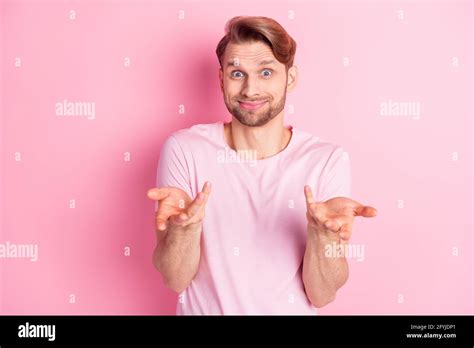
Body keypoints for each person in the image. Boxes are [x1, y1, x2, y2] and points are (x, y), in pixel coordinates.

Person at [147, 16, 377, 315]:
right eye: (237, 73)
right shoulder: (185, 149)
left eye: (266, 72)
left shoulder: (326, 160)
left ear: (290, 78)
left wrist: (323, 237)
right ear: (221, 79)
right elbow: (175, 279)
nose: (250, 89)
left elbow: (322, 295)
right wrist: (184, 230)